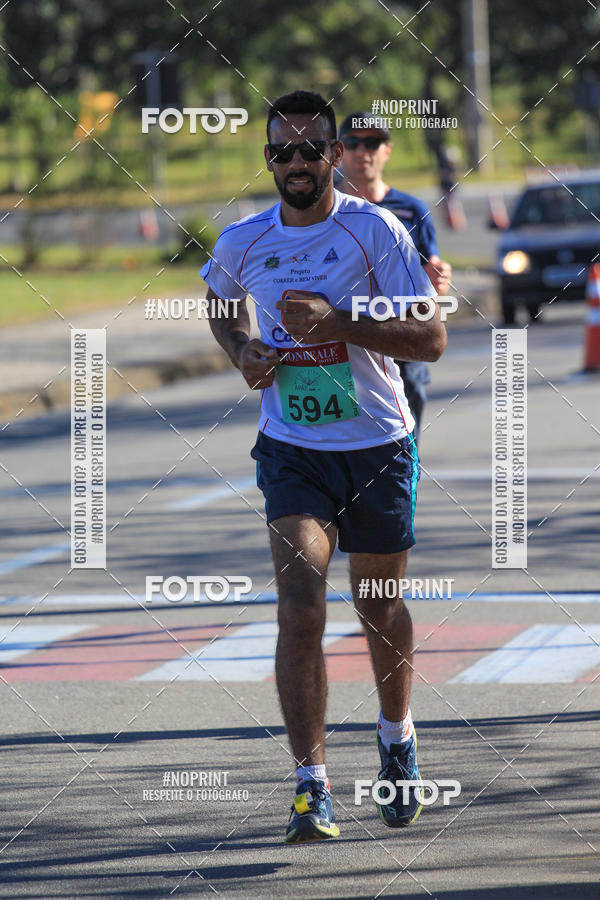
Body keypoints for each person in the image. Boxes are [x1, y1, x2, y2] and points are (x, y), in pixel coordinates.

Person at [201, 91, 446, 844]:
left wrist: (339, 323)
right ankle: (312, 786)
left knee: (377, 606)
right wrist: (241, 348)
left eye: (313, 150)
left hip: (376, 448)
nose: (299, 164)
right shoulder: (244, 240)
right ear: (268, 160)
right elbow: (217, 302)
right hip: (293, 451)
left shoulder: (374, 230)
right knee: (301, 606)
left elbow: (431, 339)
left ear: (335, 155)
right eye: (284, 152)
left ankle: (397, 736)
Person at [336, 112, 452, 443]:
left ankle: (402, 491)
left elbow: (433, 274)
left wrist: (439, 282)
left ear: (387, 150)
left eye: (372, 142)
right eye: (353, 143)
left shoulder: (411, 209)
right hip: (345, 344)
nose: (362, 151)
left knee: (402, 447)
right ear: (338, 151)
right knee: (341, 446)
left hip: (400, 342)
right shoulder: (324, 209)